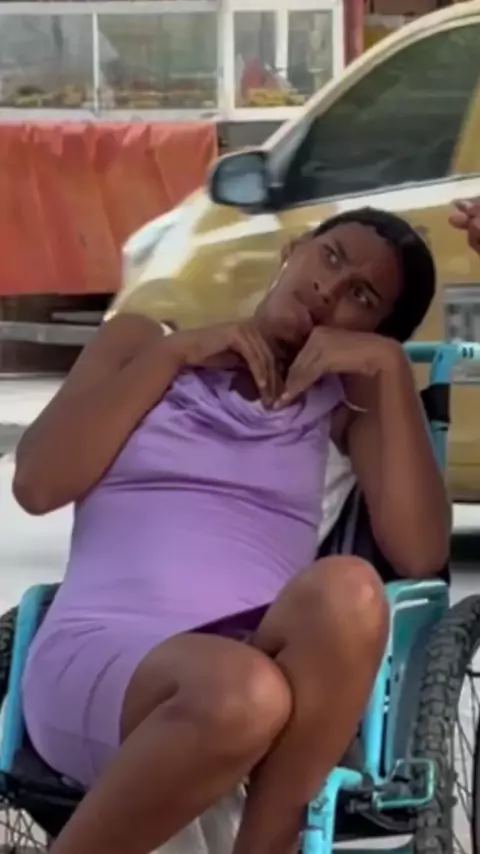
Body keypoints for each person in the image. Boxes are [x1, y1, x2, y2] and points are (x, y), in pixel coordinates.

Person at [14, 208, 450, 854]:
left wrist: (387, 369)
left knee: (351, 593)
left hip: (257, 662)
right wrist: (177, 353)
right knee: (245, 694)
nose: (328, 288)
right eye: (329, 257)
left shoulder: (344, 408)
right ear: (293, 251)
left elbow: (420, 552)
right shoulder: (141, 343)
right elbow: (38, 485)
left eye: (362, 296)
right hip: (107, 653)